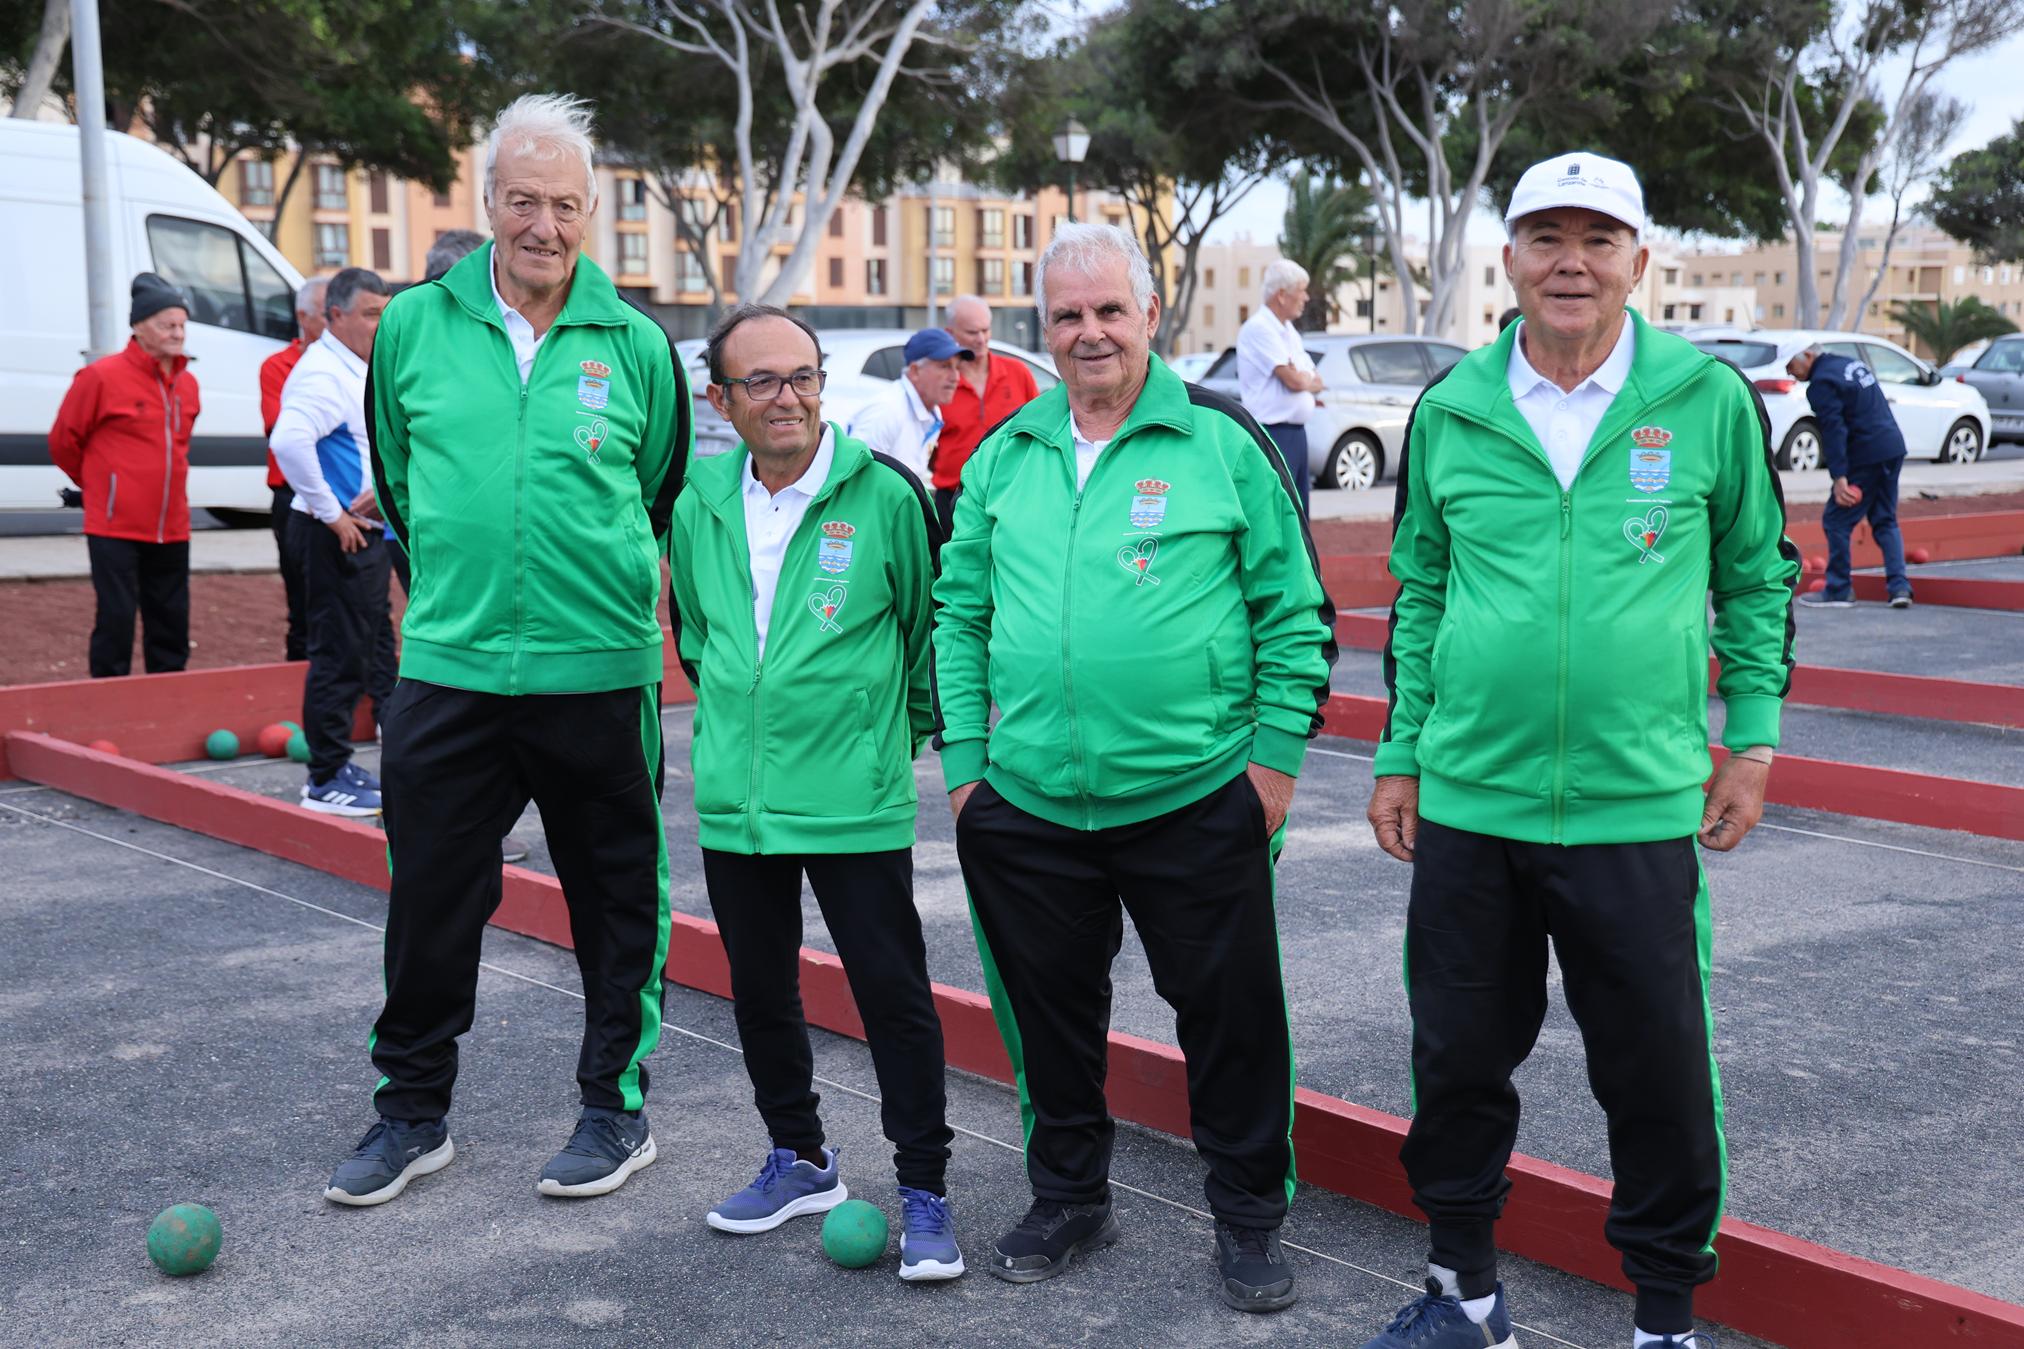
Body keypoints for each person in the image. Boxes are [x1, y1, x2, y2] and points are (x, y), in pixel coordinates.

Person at [1362, 152, 1799, 1349]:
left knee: (1655, 1074)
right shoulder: (1452, 406)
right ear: (1506, 258)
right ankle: (1465, 1296)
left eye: (1596, 239)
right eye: (1545, 237)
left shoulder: (1704, 399)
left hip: (1635, 806)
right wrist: (1400, 752)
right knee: (1455, 1063)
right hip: (1471, 805)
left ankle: (1662, 1320)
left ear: (1636, 261)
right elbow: (1418, 592)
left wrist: (1751, 740)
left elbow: (1755, 578)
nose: (1570, 262)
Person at [934, 223, 1336, 1313]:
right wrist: (967, 771)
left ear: (1150, 315)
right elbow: (959, 614)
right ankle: (1069, 1195)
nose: (1090, 332)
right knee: (1048, 1018)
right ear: (1043, 326)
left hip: (1195, 795)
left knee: (1230, 1022)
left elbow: (1292, 610)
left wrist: (1271, 768)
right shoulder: (1007, 453)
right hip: (1026, 803)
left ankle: (1248, 1214)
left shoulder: (1220, 439)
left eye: (1110, 309)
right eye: (1067, 314)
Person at [326, 93, 690, 1208]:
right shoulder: (412, 327)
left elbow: (656, 491)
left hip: (599, 672)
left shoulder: (637, 344)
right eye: (524, 200)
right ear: (488, 200)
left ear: (592, 213)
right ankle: (411, 1113)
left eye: (565, 205)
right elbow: (398, 478)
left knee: (615, 901)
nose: (544, 224)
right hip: (451, 667)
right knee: (430, 902)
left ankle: (613, 1107)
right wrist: (460, 592)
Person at [669, 302, 962, 1281]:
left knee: (891, 994)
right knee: (760, 990)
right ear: (722, 400)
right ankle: (798, 1158)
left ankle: (924, 1188)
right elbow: (700, 635)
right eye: (761, 379)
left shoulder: (885, 494)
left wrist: (885, 741)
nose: (787, 396)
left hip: (852, 795)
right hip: (738, 799)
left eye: (802, 375)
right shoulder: (699, 500)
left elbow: (925, 635)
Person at [269, 267, 396, 816]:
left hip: (358, 533)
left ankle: (337, 767)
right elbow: (288, 442)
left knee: (367, 647)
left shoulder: (353, 366)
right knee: (338, 655)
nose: (379, 325)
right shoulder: (323, 372)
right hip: (337, 536)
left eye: (384, 314)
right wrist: (333, 515)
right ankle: (324, 778)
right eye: (370, 314)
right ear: (335, 316)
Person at [48, 273, 200, 678]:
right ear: (139, 327)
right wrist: (102, 486)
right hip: (115, 525)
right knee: (116, 621)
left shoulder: (188, 384)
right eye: (167, 325)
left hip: (172, 526)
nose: (177, 333)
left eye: (181, 325)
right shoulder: (101, 377)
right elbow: (63, 441)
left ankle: (167, 698)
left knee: (171, 623)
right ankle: (107, 698)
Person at [1787, 344, 1912, 610]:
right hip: (1892, 446)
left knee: (1836, 520)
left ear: (1807, 355)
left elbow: (1834, 430)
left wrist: (1839, 476)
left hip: (1866, 453)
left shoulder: (1821, 383)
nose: (1790, 373)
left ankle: (1839, 589)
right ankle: (1899, 587)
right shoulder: (1848, 364)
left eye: (1791, 366)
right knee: (1885, 519)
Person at [260, 277, 328, 662]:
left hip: (342, 492)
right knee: (301, 601)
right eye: (326, 314)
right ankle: (301, 678)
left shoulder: (357, 363)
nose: (334, 322)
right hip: (293, 494)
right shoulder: (277, 367)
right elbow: (283, 431)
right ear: (303, 317)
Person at [933, 294, 1039, 536]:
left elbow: (1039, 431)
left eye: (985, 330)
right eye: (972, 332)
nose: (981, 339)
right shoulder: (942, 381)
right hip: (954, 501)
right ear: (950, 333)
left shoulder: (1018, 373)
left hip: (1011, 496)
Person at [1236, 259, 1323, 518]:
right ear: (1282, 295)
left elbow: (1318, 381)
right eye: (1301, 290)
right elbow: (1294, 381)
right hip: (1273, 433)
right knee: (1278, 512)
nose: (1306, 298)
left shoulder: (1288, 331)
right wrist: (1301, 378)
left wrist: (1302, 377)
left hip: (1295, 434)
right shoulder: (1259, 328)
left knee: (1298, 513)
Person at [848, 327, 968, 487]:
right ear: (915, 371)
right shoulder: (887, 410)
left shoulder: (932, 411)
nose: (955, 377)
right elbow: (857, 479)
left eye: (957, 367)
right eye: (945, 366)